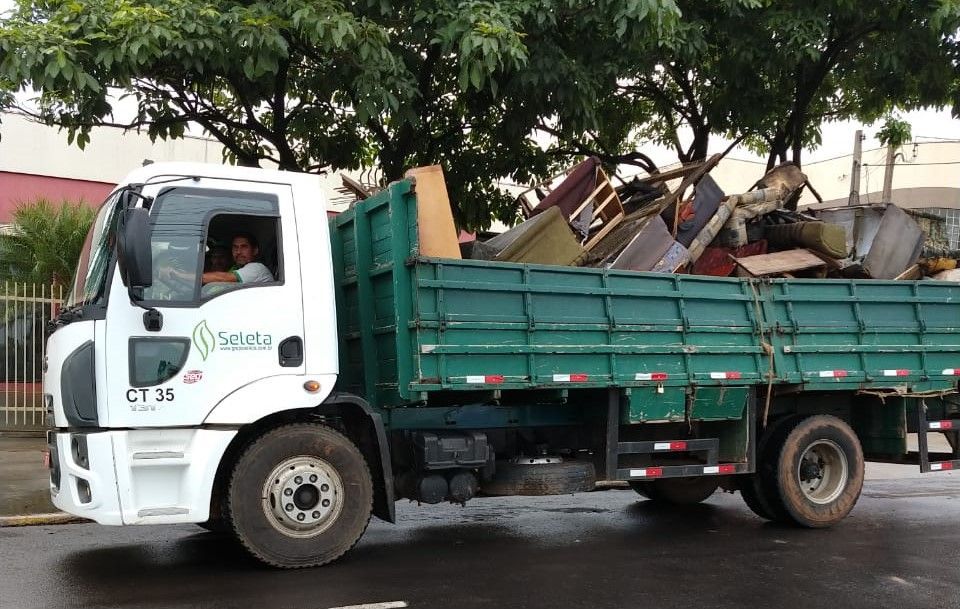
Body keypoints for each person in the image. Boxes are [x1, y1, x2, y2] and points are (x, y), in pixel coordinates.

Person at [202, 233, 274, 285]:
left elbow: (223, 278)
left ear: (255, 251)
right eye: (235, 247)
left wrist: (192, 278)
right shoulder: (236, 268)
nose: (238, 252)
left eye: (244, 247)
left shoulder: (257, 268)